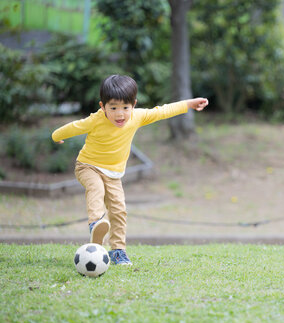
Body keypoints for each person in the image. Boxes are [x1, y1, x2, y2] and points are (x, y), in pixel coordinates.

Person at [52, 74, 208, 265]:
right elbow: (75, 127)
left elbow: (162, 111)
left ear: (133, 104)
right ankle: (96, 223)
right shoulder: (96, 120)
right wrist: (56, 135)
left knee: (119, 210)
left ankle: (118, 251)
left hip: (114, 174)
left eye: (125, 108)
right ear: (103, 106)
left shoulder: (137, 116)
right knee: (96, 189)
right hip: (88, 166)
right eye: (113, 108)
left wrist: (189, 103)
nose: (120, 114)